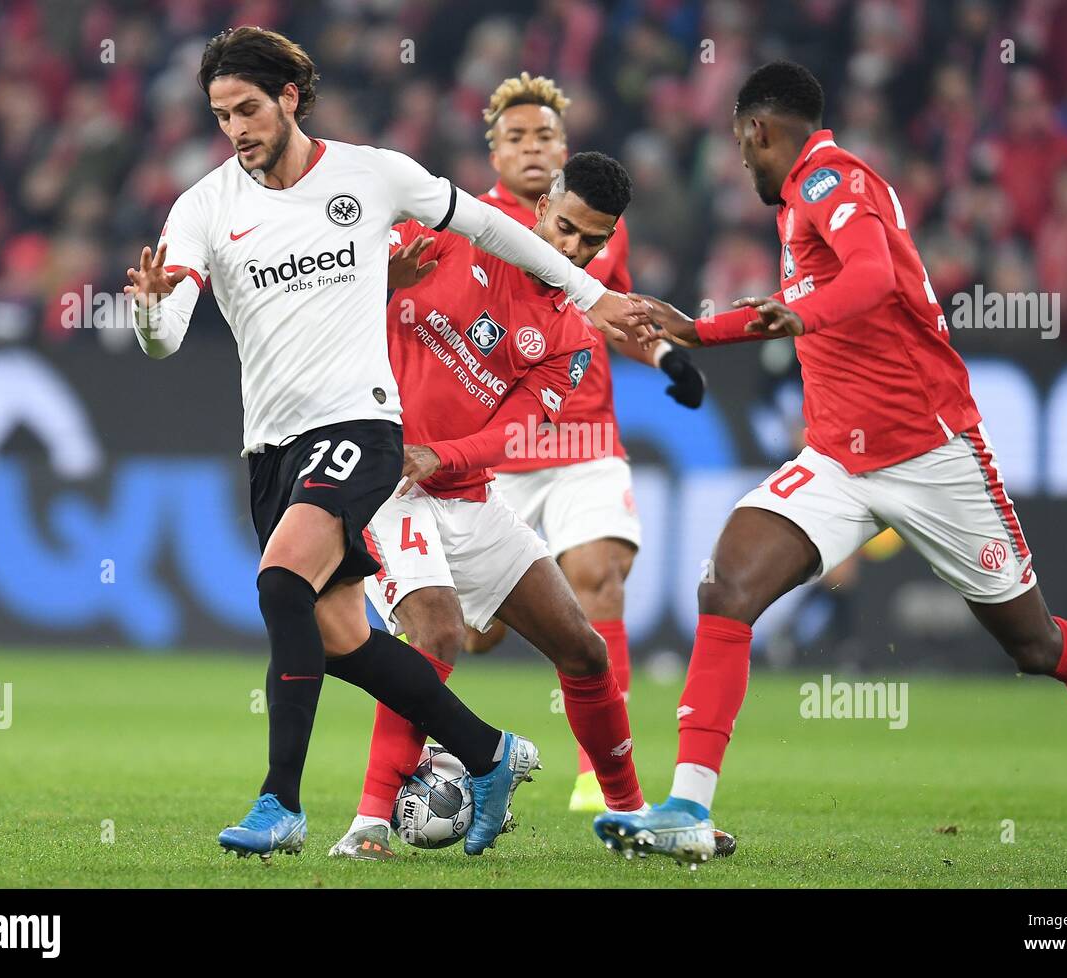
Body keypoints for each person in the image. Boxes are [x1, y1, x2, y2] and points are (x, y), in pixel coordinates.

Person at [595, 60, 1067, 865]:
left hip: (931, 452)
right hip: (839, 458)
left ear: (760, 129)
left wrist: (793, 316)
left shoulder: (831, 180)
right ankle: (688, 810)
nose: (742, 161)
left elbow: (873, 280)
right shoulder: (804, 202)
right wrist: (699, 331)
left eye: (744, 145)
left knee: (1034, 645)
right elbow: (822, 303)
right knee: (726, 584)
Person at [125, 26, 647, 860]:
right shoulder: (205, 207)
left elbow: (489, 224)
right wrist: (151, 309)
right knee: (342, 638)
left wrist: (591, 294)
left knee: (283, 581)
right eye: (221, 115)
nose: (236, 129)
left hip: (367, 430)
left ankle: (285, 805)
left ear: (290, 97)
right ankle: (489, 752)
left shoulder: (373, 176)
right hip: (274, 446)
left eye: (249, 109)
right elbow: (165, 335)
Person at [330, 153, 654, 859]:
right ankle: (368, 826)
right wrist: (384, 280)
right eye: (564, 227)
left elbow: (514, 433)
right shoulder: (457, 229)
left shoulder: (570, 335)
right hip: (386, 479)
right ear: (542, 207)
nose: (570, 249)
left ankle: (631, 814)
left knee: (585, 649)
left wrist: (442, 459)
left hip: (463, 491)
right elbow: (337, 289)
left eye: (590, 242)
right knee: (437, 632)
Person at [466, 72, 708, 814]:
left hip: (585, 437)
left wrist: (667, 357)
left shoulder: (604, 221)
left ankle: (596, 780)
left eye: (544, 135)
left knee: (600, 579)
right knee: (472, 635)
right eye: (516, 137)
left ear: (563, 147)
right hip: (500, 449)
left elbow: (617, 313)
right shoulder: (470, 222)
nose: (532, 146)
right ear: (496, 153)